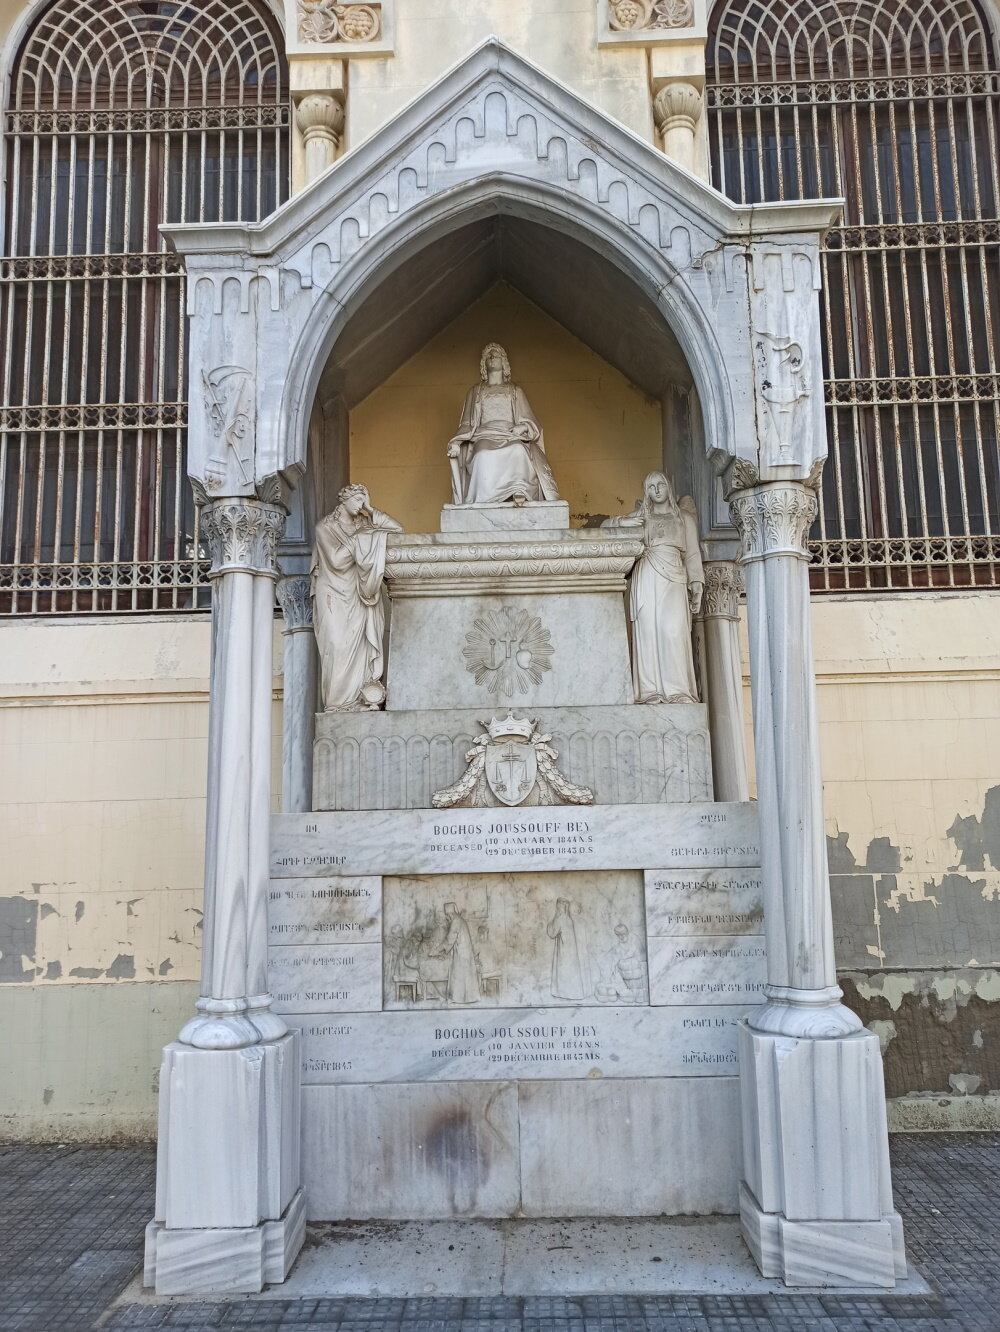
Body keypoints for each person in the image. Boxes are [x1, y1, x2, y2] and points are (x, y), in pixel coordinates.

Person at [602, 472, 703, 704]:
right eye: (650, 487)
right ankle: (650, 692)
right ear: (645, 492)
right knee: (648, 630)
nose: (656, 490)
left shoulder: (684, 518)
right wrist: (621, 522)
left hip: (675, 575)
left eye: (660, 485)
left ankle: (678, 691)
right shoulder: (641, 517)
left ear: (668, 487)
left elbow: (693, 554)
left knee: (673, 630)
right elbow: (606, 528)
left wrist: (696, 581)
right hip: (646, 572)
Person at [311, 483, 402, 711]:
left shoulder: (364, 522)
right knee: (336, 645)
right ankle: (337, 704)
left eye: (364, 500)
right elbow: (336, 560)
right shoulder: (325, 527)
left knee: (360, 646)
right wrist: (361, 539)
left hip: (360, 593)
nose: (360, 505)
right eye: (357, 500)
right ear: (344, 500)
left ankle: (359, 700)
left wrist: (371, 510)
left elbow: (398, 530)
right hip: (332, 592)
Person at [446, 343, 560, 505]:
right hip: (484, 435)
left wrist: (524, 427)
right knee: (482, 455)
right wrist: (456, 442)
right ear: (483, 364)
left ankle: (518, 491)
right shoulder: (475, 391)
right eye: (488, 356)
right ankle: (482, 500)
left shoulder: (515, 391)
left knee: (519, 450)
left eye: (496, 355)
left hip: (511, 435)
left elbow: (531, 421)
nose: (492, 358)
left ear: (504, 362)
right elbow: (466, 423)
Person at [434, 902, 481, 1005]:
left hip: (461, 952)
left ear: (450, 914)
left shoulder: (456, 921)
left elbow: (449, 940)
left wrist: (437, 950)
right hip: (464, 952)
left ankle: (457, 998)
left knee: (458, 974)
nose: (447, 918)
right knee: (465, 975)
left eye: (447, 915)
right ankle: (469, 997)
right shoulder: (460, 920)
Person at [547, 897, 585, 1000]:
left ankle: (564, 994)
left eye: (558, 905)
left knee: (564, 971)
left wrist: (551, 921)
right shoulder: (568, 919)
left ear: (560, 906)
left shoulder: (560, 919)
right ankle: (572, 994)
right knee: (570, 971)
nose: (557, 907)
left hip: (564, 951)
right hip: (570, 951)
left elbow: (551, 933)